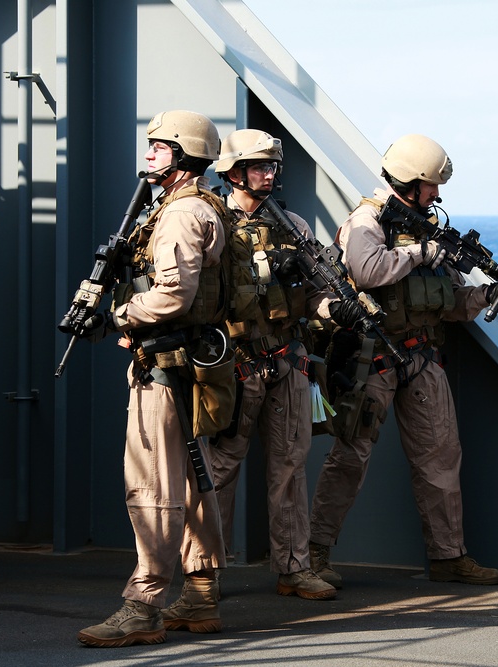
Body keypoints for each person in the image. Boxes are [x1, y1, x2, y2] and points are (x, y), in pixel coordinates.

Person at [308, 134, 498, 588]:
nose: (437, 194)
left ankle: (449, 556)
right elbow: (366, 270)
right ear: (410, 181)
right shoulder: (368, 220)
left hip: (422, 356)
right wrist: (421, 253)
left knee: (441, 457)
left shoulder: (425, 228)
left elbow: (449, 301)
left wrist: (488, 295)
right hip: (373, 357)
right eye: (431, 185)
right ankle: (315, 553)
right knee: (350, 457)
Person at [75, 110, 234, 647]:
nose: (149, 155)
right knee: (194, 479)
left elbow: (172, 294)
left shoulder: (181, 215)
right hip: (189, 363)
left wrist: (117, 314)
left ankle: (143, 605)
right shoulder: (201, 206)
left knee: (154, 486)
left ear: (185, 157)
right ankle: (200, 593)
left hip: (165, 368)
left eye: (160, 148)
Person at [208, 129, 364, 600]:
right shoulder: (213, 222)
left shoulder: (293, 224)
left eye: (272, 166)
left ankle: (293, 567)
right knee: (220, 468)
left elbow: (314, 294)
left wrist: (333, 310)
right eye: (259, 166)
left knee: (291, 465)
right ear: (234, 172)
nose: (269, 174)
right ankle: (204, 572)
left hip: (286, 360)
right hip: (235, 361)